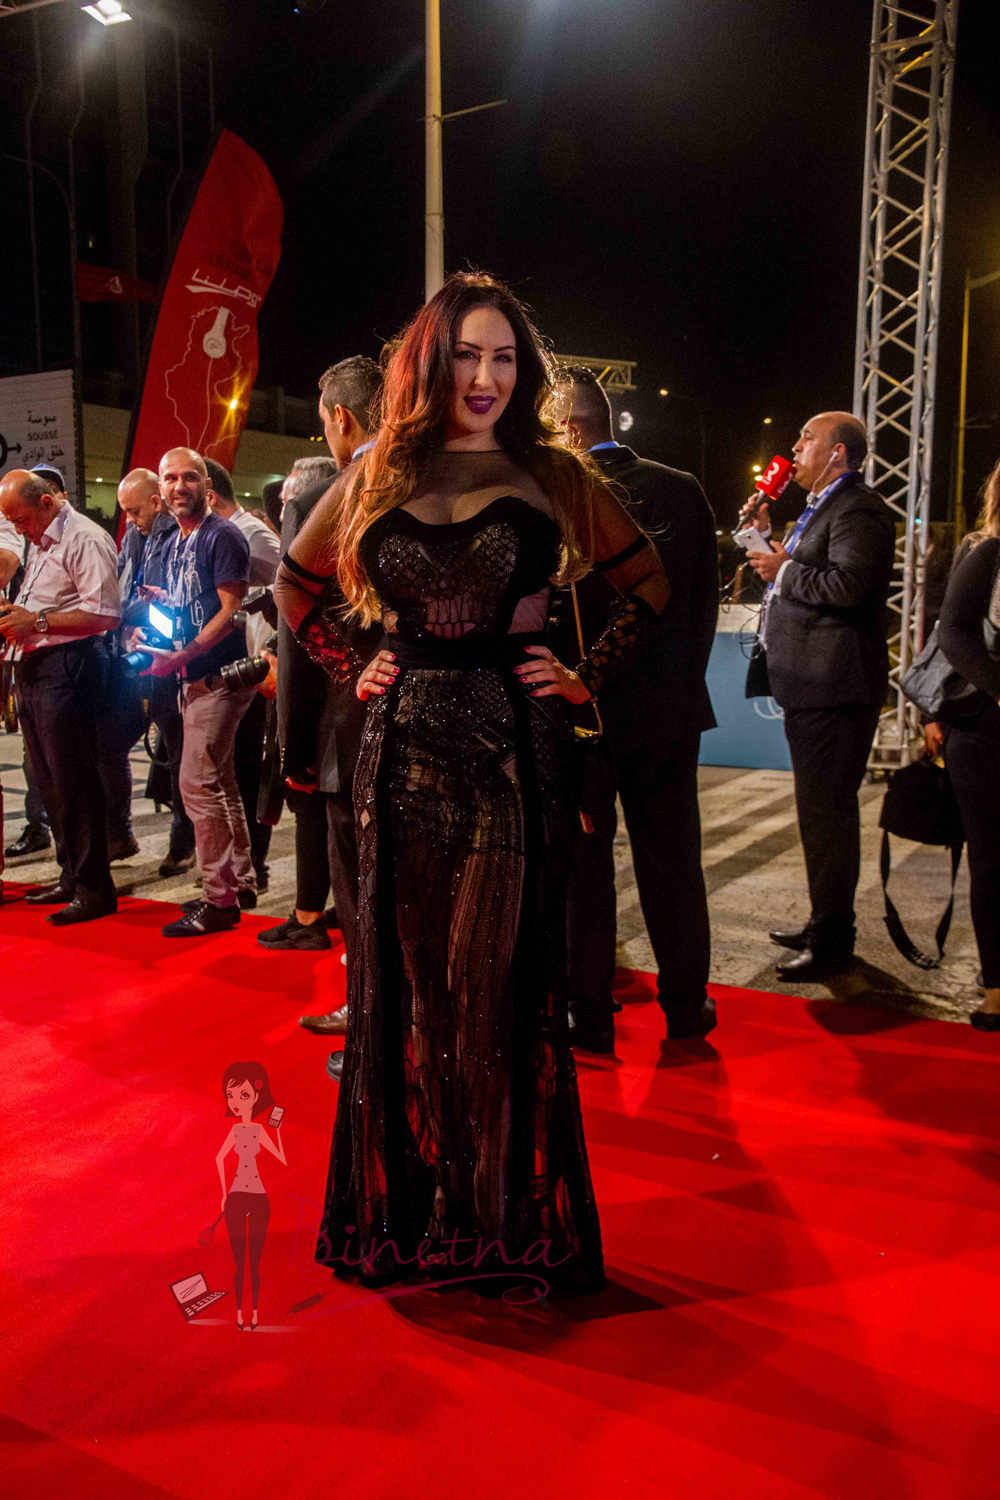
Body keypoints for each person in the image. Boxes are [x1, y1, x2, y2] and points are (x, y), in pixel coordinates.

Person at [274, 272, 668, 1294]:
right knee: (409, 983)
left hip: (511, 752)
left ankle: (495, 1214)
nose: (486, 377)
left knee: (491, 980)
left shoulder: (551, 471)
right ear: (428, 364)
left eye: (503, 358)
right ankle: (420, 1208)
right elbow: (294, 585)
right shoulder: (375, 470)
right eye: (466, 356)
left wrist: (583, 675)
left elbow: (650, 583)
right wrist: (350, 664)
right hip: (399, 746)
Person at [553, 368, 719, 1051]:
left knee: (583, 869)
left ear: (568, 429)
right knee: (672, 861)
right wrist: (677, 688)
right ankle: (685, 1006)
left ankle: (588, 1013)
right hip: (666, 715)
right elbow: (701, 608)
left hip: (581, 713)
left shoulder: (559, 496)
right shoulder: (682, 488)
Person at [743, 411, 895, 981]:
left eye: (807, 438)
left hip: (835, 686)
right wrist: (763, 539)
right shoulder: (820, 507)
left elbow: (849, 585)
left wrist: (783, 570)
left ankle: (832, 941)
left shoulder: (859, 508)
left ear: (837, 453)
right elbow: (796, 571)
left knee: (828, 814)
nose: (795, 446)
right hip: (811, 684)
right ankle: (821, 921)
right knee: (818, 813)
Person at [263, 358, 383, 1015]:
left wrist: (293, 745)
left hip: (351, 720)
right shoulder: (439, 480)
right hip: (443, 717)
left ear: (341, 417)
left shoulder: (318, 500)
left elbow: (295, 630)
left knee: (360, 882)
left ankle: (368, 1020)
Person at [0, 470, 121, 923]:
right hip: (36, 665)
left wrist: (36, 622)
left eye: (21, 519)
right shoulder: (43, 538)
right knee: (49, 781)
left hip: (69, 665)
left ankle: (94, 888)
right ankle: (71, 874)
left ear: (47, 504)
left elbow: (105, 614)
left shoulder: (84, 538)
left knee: (75, 781)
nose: (19, 530)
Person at [141, 448, 253, 937]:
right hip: (194, 676)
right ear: (161, 489)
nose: (179, 486)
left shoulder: (221, 534)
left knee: (197, 784)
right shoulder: (177, 539)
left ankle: (219, 900)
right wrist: (162, 605)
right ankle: (239, 882)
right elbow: (196, 599)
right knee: (219, 782)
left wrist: (181, 656)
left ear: (207, 486)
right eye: (170, 478)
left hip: (219, 677)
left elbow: (230, 612)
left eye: (189, 477)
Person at [206, 458, 280, 893]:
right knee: (234, 772)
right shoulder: (216, 536)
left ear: (209, 493)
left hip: (264, 671)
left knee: (253, 774)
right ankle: (242, 868)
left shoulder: (253, 535)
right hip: (241, 667)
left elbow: (289, 589)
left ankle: (257, 867)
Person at [117, 468, 195, 877]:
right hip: (142, 653)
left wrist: (137, 615)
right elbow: (123, 590)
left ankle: (182, 843)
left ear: (154, 502)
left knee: (180, 754)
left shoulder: (177, 533)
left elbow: (173, 597)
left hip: (171, 657)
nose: (129, 520)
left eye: (134, 512)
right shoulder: (134, 536)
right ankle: (119, 834)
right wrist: (128, 624)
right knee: (112, 741)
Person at [936, 536, 1000, 1031]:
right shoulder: (988, 552)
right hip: (986, 731)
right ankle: (997, 987)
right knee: (992, 862)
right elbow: (952, 631)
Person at [216, 1062, 287, 1330]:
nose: (235, 1102)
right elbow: (219, 1158)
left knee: (253, 1264)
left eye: (243, 1095)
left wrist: (277, 1131)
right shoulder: (235, 1131)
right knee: (240, 1265)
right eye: (231, 1095)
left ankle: (254, 1313)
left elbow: (280, 1158)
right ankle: (239, 1313)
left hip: (258, 1197)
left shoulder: (259, 1130)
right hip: (237, 1196)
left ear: (256, 1097)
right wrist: (224, 1194)